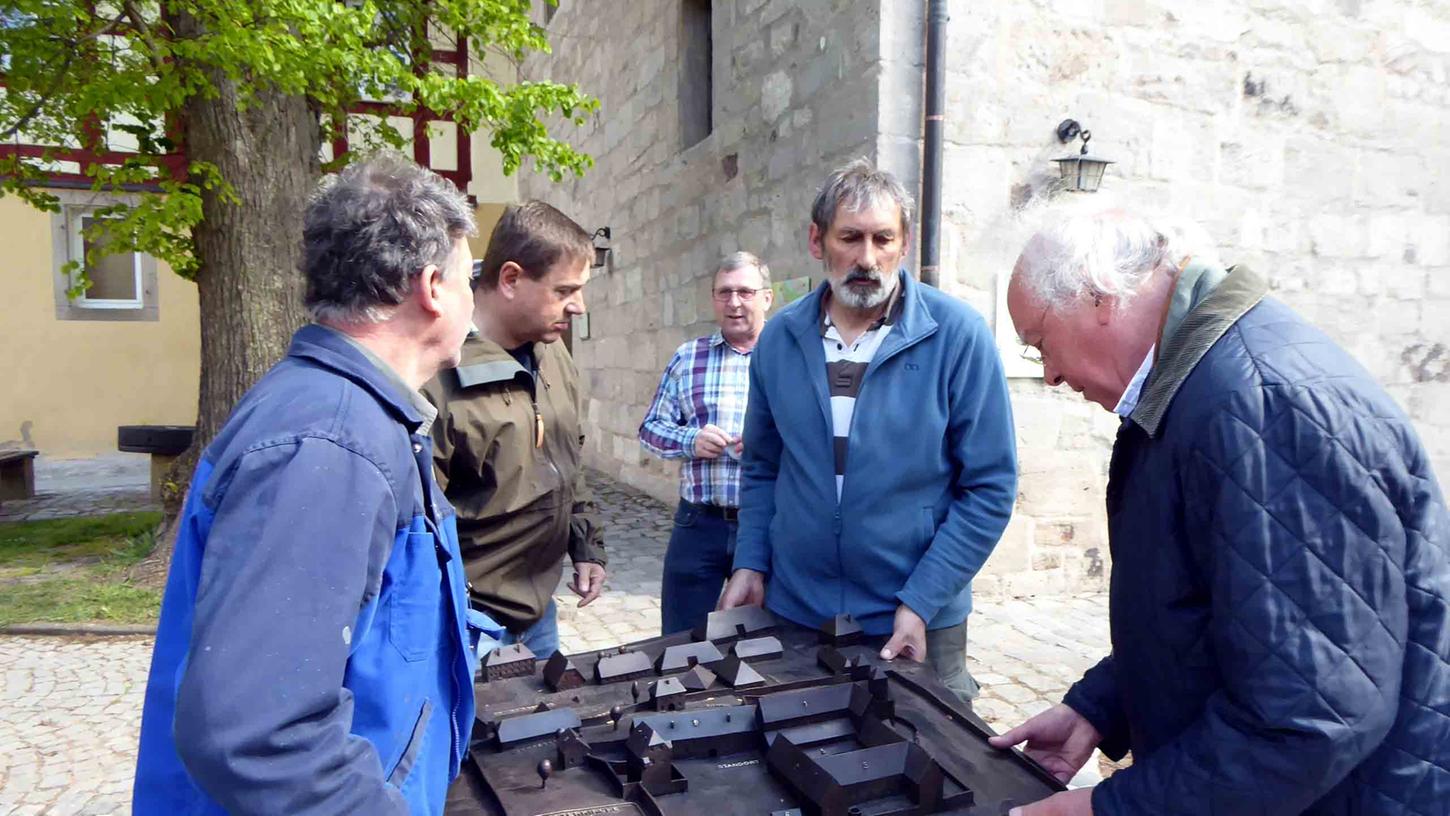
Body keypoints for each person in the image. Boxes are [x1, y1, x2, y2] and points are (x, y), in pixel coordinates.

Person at [991, 206, 1450, 815]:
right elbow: (1226, 608)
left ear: (1100, 298)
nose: (1048, 374)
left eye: (1040, 343)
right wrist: (1100, 704)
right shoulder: (1197, 384)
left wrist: (1113, 808)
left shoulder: (1262, 405)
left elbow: (1311, 717)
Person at [133, 155, 478, 814]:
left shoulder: (352, 416)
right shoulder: (329, 442)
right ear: (432, 288)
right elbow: (257, 736)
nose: (472, 299)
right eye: (469, 278)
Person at [719, 158, 1018, 699]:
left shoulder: (958, 337)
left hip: (917, 614)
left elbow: (991, 488)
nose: (866, 258)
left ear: (904, 245)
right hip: (797, 609)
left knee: (936, 763)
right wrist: (751, 560)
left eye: (883, 239)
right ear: (817, 240)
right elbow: (763, 466)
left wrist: (922, 599)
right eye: (849, 238)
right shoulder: (781, 339)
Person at [423, 201, 605, 663]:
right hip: (467, 628)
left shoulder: (553, 352)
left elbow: (568, 455)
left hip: (539, 615)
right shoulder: (435, 374)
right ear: (510, 279)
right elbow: (416, 531)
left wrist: (586, 543)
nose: (579, 307)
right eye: (565, 290)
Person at [640, 251, 774, 635]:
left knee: (767, 640)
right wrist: (690, 439)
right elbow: (650, 428)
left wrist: (771, 443)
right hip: (699, 524)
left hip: (769, 524)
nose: (734, 303)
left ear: (766, 298)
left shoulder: (789, 357)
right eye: (724, 292)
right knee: (681, 639)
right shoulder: (689, 357)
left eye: (745, 292)